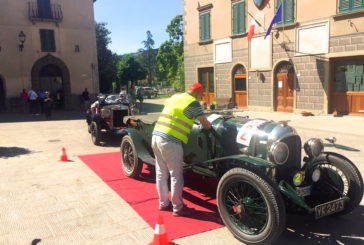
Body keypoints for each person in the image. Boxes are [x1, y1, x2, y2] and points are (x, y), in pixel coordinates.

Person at [151, 83, 211, 217]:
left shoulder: (175, 97)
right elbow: (206, 125)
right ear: (198, 93)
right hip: (170, 141)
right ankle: (178, 208)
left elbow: (176, 115)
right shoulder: (193, 103)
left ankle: (163, 203)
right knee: (176, 175)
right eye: (201, 95)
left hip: (156, 136)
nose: (201, 97)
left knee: (161, 173)